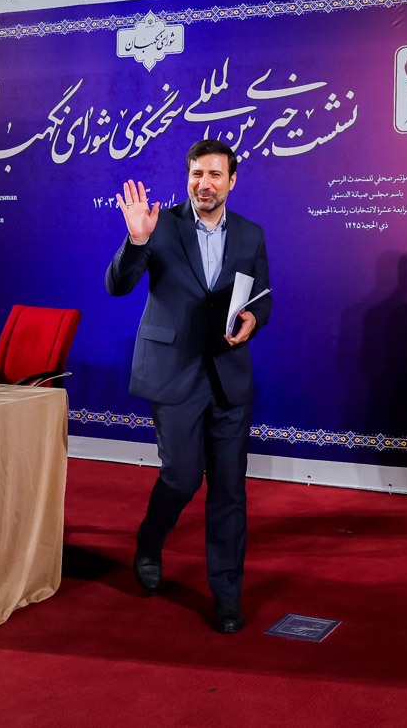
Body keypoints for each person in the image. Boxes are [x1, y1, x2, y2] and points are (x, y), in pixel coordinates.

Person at [105, 138, 272, 634]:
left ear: (231, 181)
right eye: (197, 174)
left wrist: (254, 319)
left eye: (215, 174)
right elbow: (117, 285)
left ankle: (227, 595)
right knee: (181, 477)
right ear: (189, 178)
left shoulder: (251, 234)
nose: (205, 183)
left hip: (228, 376)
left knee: (229, 488)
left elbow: (262, 296)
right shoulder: (159, 225)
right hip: (173, 372)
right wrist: (136, 240)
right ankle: (149, 541)